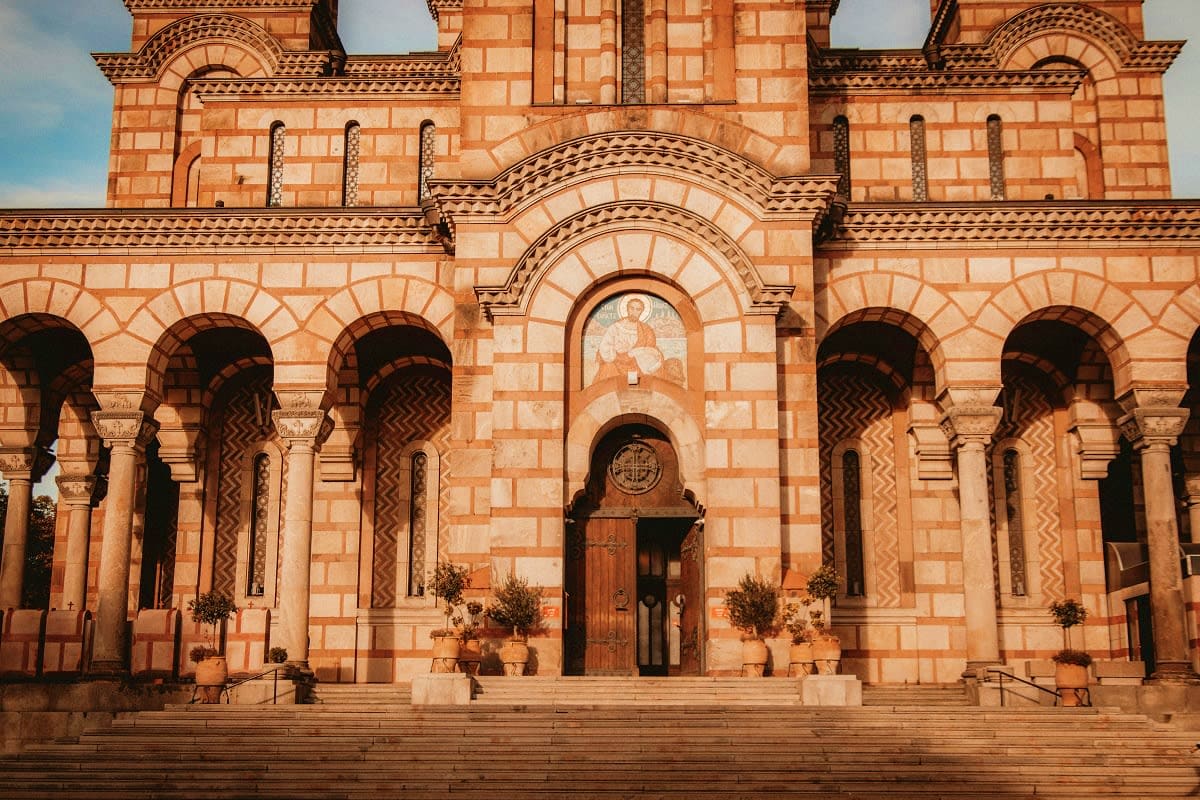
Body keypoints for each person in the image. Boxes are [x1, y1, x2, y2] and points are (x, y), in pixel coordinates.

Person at [594, 296, 664, 382]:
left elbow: (650, 348)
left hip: (638, 362)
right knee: (608, 371)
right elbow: (605, 346)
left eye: (638, 309)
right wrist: (620, 355)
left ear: (641, 312)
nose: (634, 312)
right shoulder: (615, 327)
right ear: (627, 309)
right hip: (617, 361)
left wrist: (636, 353)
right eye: (632, 308)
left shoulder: (646, 329)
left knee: (654, 373)